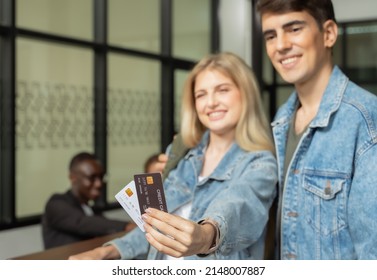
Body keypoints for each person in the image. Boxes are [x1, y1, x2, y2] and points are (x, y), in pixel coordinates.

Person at [69, 52, 278, 260]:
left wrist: (206, 235)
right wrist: (108, 252)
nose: (211, 102)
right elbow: (155, 228)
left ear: (246, 94)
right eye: (201, 94)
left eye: (222, 90)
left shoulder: (260, 163)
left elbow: (240, 204)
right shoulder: (180, 156)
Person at [257, 0, 377, 259]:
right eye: (271, 35)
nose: (281, 46)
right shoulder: (281, 119)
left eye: (294, 29)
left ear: (329, 34)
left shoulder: (366, 119)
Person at [42, 152, 136, 249]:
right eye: (92, 178)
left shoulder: (91, 209)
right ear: (72, 177)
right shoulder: (56, 203)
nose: (99, 184)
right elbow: (82, 223)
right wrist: (127, 226)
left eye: (101, 177)